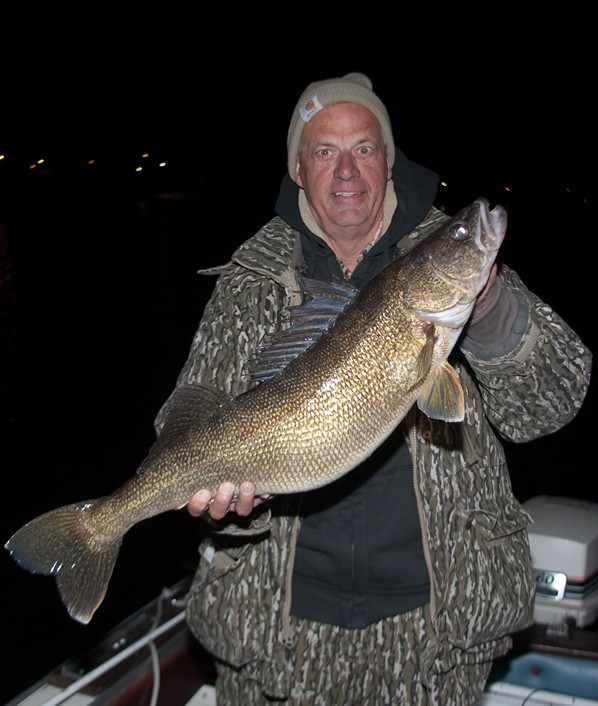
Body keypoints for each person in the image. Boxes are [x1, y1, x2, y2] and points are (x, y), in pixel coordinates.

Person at [154, 73, 592, 705]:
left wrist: (491, 305)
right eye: (324, 151)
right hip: (278, 638)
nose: (347, 170)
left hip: (436, 635)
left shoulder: (441, 259)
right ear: (298, 170)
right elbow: (187, 417)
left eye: (364, 148)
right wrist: (229, 509)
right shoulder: (250, 283)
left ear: (389, 162)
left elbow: (553, 401)